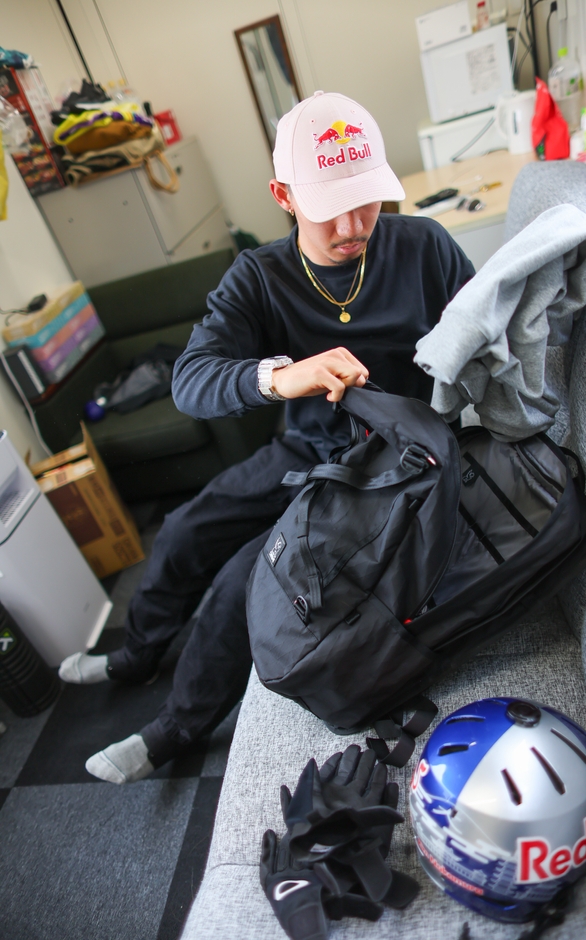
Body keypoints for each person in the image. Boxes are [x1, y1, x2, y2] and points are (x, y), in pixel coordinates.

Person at [58, 91, 474, 784]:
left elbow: (484, 329)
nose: (353, 225)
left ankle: (176, 728)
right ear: (283, 196)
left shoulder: (423, 246)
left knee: (242, 581)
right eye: (329, 206)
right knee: (186, 529)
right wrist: (282, 377)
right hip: (305, 448)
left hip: (388, 470)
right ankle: (138, 654)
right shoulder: (259, 276)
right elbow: (191, 380)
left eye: (366, 200)